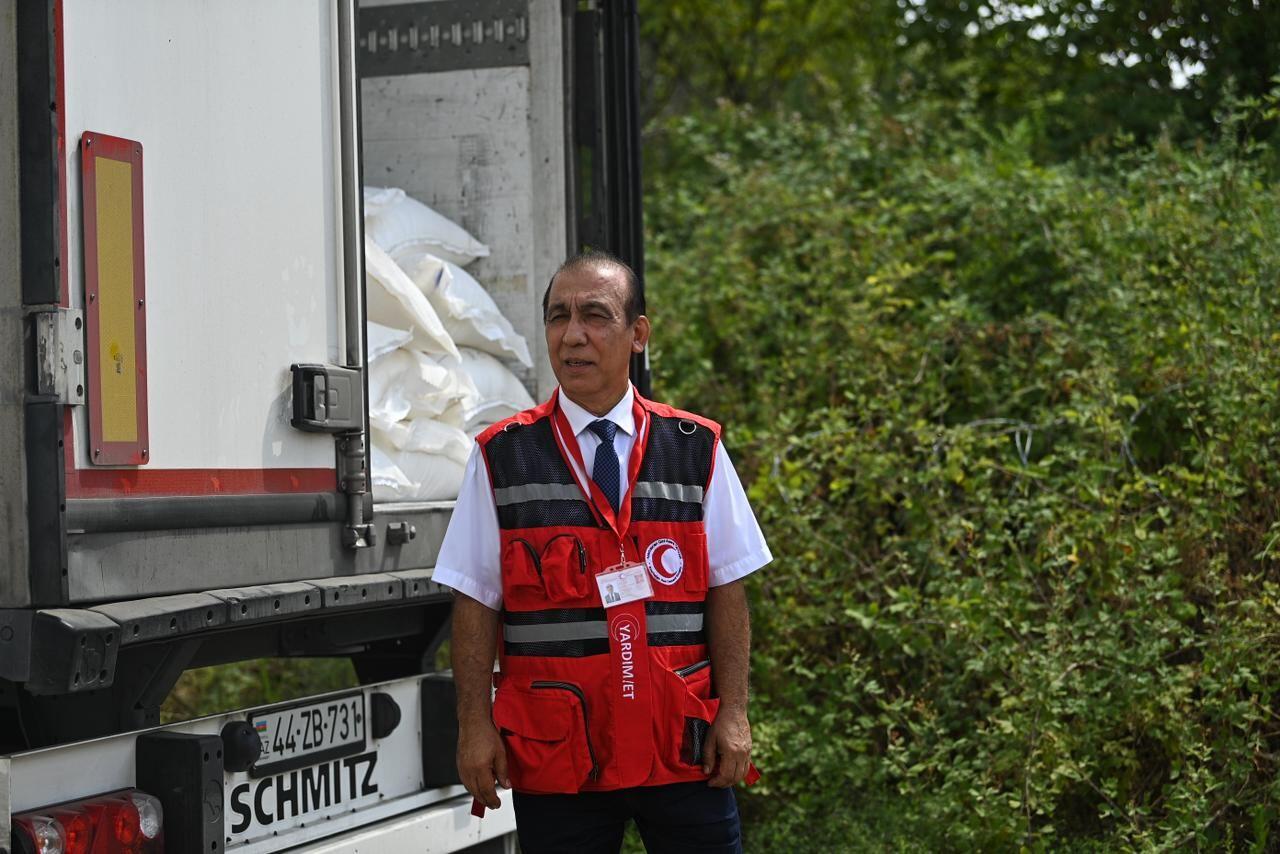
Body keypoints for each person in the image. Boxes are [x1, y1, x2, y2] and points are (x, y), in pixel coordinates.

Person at [432, 250, 772, 853]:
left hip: (680, 744)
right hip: (560, 753)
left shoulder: (696, 447)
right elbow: (475, 600)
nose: (573, 335)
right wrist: (474, 725)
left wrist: (736, 714)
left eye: (596, 315)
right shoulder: (500, 456)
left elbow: (727, 588)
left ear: (638, 334)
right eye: (558, 317)